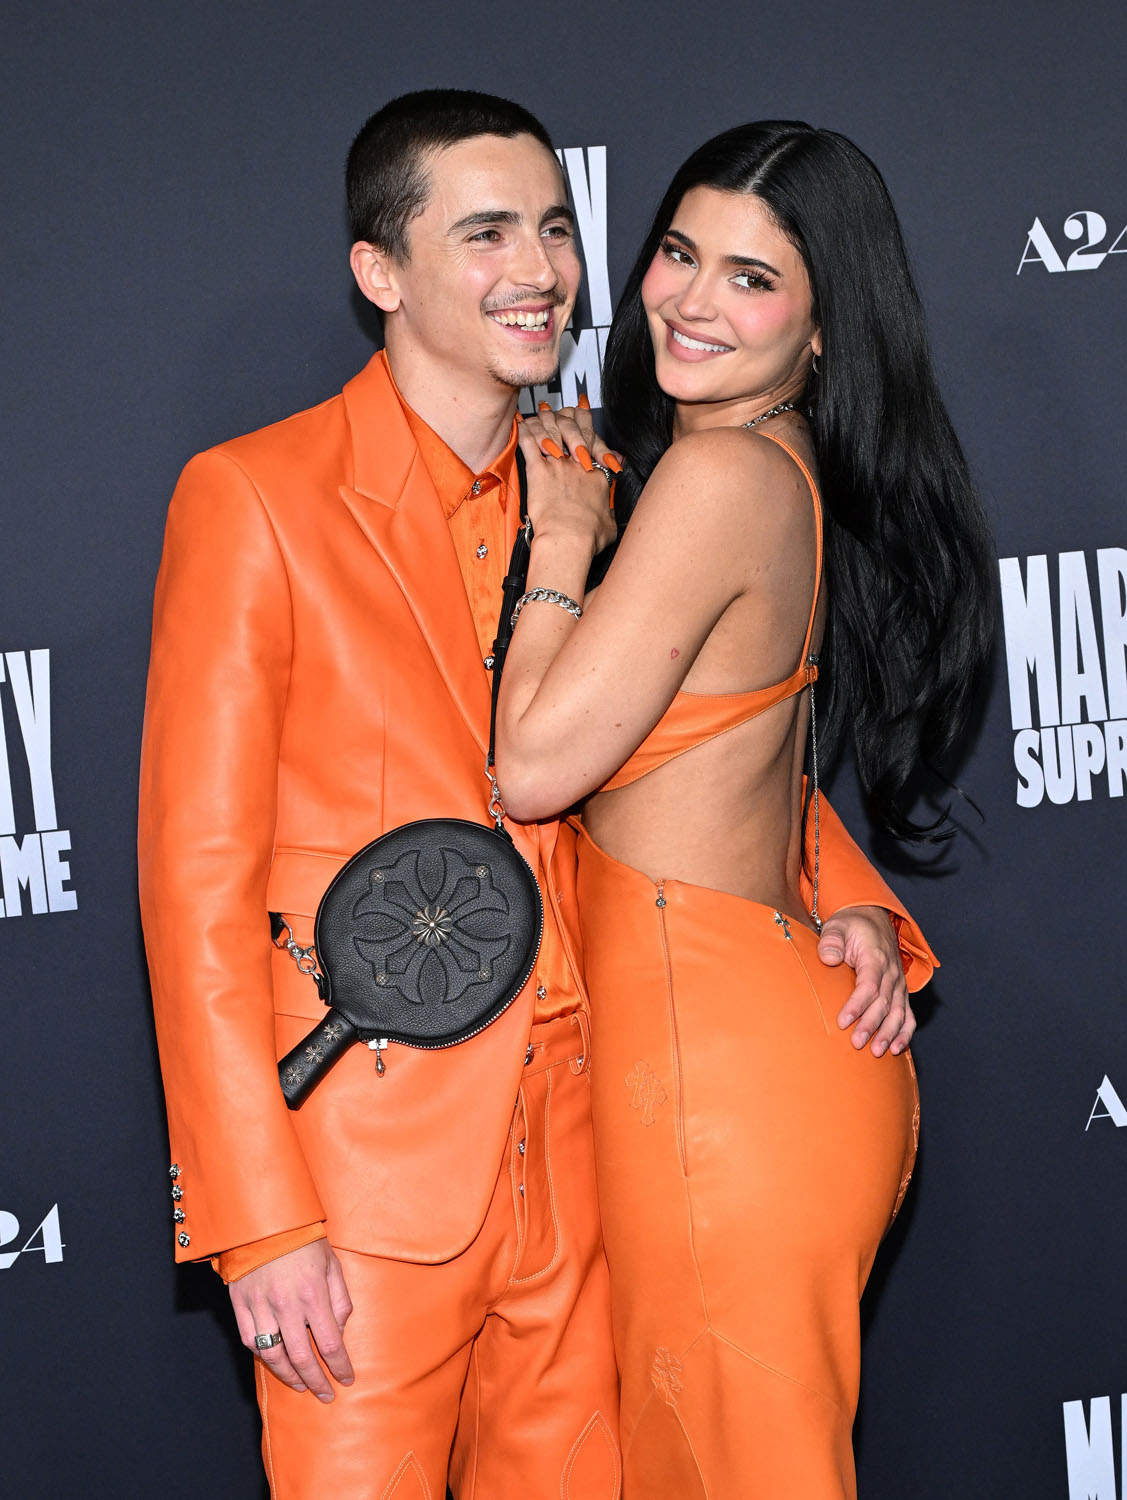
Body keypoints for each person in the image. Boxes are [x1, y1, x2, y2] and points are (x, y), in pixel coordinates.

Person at [139, 94, 941, 1500]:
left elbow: (707, 742)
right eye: (488, 233)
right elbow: (193, 886)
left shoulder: (604, 486)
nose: (541, 270)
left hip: (598, 1158)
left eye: (558, 229)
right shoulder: (256, 497)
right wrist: (258, 1221)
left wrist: (850, 900)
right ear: (381, 272)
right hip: (373, 1176)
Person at [495, 120, 994, 1499]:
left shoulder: (718, 477)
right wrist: (861, 909)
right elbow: (740, 764)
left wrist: (559, 542)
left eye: (753, 278)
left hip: (717, 1079)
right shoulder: (768, 464)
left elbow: (533, 767)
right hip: (740, 1041)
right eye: (678, 253)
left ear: (826, 328)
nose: (693, 301)